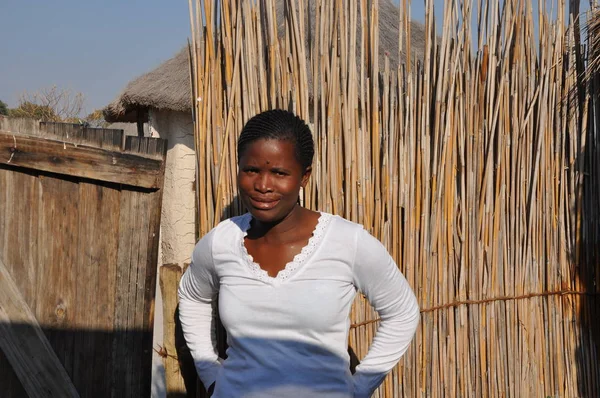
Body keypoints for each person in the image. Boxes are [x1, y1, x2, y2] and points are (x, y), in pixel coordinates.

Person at [178, 109, 420, 398]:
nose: (263, 185)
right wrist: (211, 373)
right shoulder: (221, 242)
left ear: (304, 177)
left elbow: (402, 312)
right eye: (251, 170)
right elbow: (193, 297)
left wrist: (359, 387)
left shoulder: (347, 241)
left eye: (279, 173)